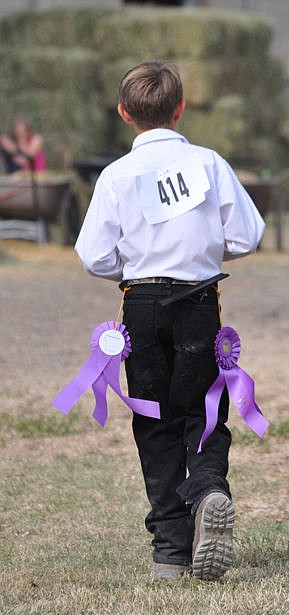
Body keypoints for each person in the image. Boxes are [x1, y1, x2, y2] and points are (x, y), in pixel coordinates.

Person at [75, 61, 265, 581]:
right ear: (180, 109)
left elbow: (93, 256)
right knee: (203, 414)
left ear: (123, 114)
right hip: (200, 300)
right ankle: (207, 491)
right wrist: (202, 246)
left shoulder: (115, 175)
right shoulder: (209, 163)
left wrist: (133, 266)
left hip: (140, 304)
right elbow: (248, 236)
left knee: (154, 419)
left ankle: (171, 551)